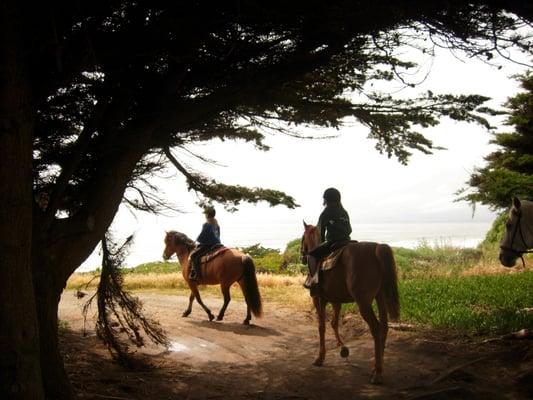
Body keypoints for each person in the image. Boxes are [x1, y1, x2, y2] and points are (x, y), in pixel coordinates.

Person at [304, 188, 352, 289]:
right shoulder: (344, 212)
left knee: (311, 256)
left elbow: (320, 233)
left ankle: (314, 281)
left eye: (324, 199)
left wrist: (320, 244)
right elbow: (349, 229)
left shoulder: (325, 213)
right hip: (347, 241)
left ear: (326, 199)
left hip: (333, 242)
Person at [189, 206, 221, 281]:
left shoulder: (207, 224)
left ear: (208, 215)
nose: (205, 215)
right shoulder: (216, 223)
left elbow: (202, 235)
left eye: (205, 214)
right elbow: (218, 235)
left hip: (208, 245)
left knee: (194, 256)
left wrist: (196, 241)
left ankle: (197, 275)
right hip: (217, 244)